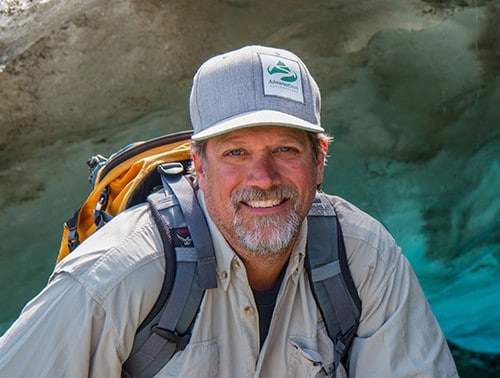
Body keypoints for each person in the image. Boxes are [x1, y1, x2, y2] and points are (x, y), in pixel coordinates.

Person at [0, 45, 458, 377]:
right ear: (198, 166)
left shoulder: (363, 256)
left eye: (285, 149)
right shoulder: (117, 274)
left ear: (320, 160)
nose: (263, 177)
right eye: (236, 153)